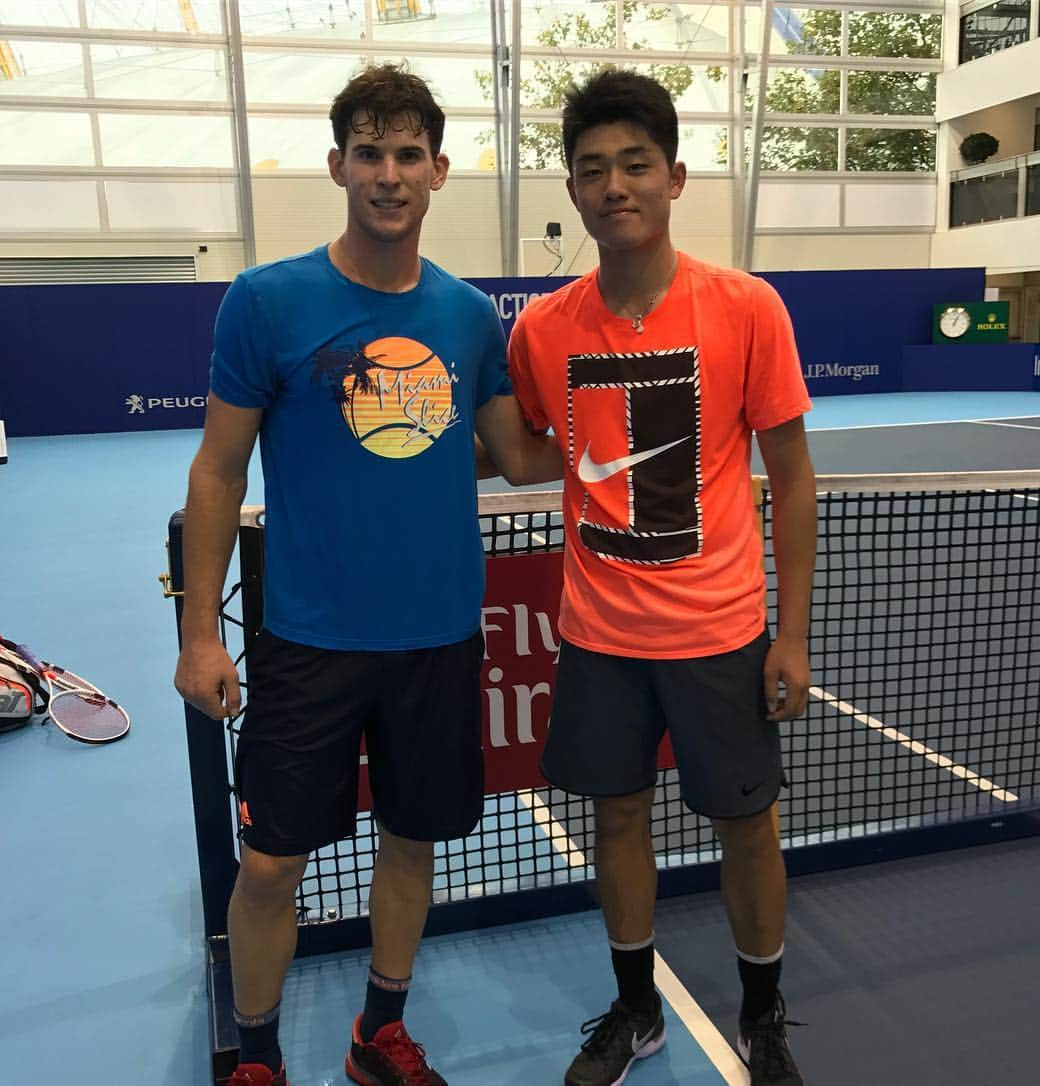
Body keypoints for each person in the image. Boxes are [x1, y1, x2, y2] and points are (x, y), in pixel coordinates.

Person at [174, 64, 559, 1086]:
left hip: (436, 637)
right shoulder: (265, 301)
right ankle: (257, 1057)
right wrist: (200, 635)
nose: (389, 175)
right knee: (269, 869)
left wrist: (664, 433)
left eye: (409, 156)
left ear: (438, 171)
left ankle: (376, 1034)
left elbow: (518, 456)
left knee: (412, 844)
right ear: (340, 164)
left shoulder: (470, 319)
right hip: (307, 640)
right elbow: (217, 471)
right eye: (370, 154)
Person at [505, 70, 817, 1086]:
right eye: (592, 169)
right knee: (620, 820)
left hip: (722, 633)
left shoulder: (745, 307)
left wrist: (793, 630)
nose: (615, 186)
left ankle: (763, 1012)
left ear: (675, 177)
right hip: (599, 637)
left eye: (635, 164)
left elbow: (793, 478)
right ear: (574, 190)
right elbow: (514, 448)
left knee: (747, 827)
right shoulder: (541, 330)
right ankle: (636, 1011)